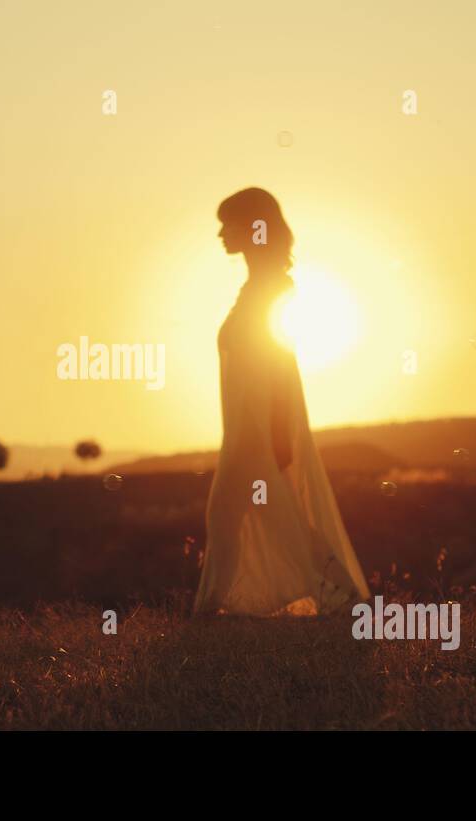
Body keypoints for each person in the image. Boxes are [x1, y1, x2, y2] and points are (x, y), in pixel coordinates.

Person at [194, 188, 370, 616]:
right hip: (244, 427)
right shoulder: (257, 285)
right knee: (250, 515)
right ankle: (213, 609)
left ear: (253, 227)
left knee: (249, 515)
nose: (220, 233)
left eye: (227, 223)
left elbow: (277, 362)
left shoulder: (271, 287)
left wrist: (275, 432)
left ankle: (212, 611)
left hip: (255, 429)